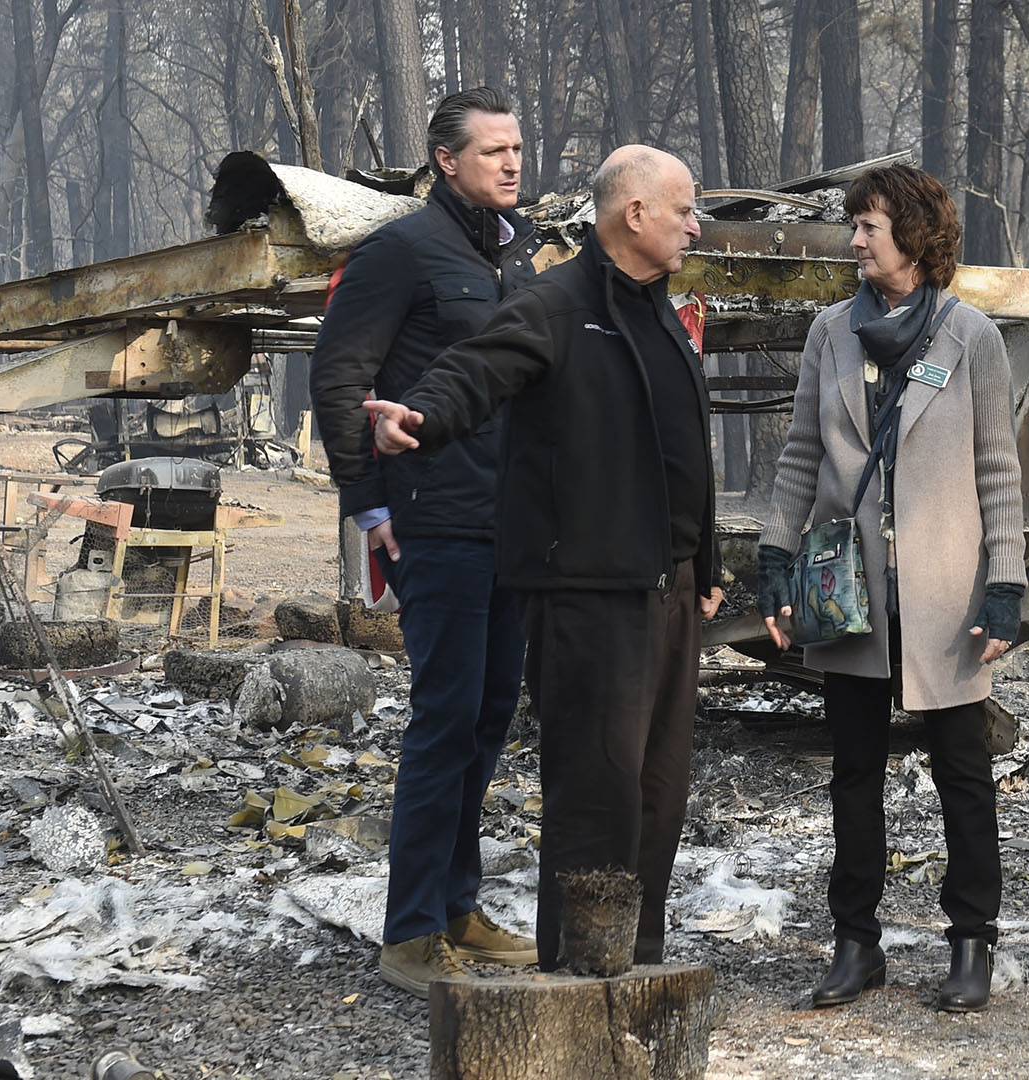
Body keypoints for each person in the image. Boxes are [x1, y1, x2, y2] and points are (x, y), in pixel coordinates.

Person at [361, 144, 721, 973]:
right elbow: (472, 372)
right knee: (596, 793)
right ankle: (581, 973)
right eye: (683, 211)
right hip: (585, 591)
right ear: (634, 215)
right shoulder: (554, 304)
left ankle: (634, 960)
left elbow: (681, 448)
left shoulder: (663, 310)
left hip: (663, 589)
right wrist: (416, 417)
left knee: (658, 791)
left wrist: (701, 565)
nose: (694, 226)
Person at [755, 164, 1024, 1013]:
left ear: (914, 233)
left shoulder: (970, 335)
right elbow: (802, 450)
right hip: (850, 590)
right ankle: (855, 943)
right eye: (855, 224)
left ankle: (972, 941)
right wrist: (774, 553)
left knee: (962, 770)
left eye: (869, 225)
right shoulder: (830, 332)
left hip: (945, 592)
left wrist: (1005, 585)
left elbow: (998, 470)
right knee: (855, 773)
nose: (856, 239)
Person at [307, 86, 541, 997]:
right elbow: (340, 375)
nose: (513, 163)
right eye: (494, 152)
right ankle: (409, 931)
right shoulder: (401, 251)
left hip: (506, 524)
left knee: (487, 716)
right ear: (447, 162)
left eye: (518, 148)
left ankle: (456, 907)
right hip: (431, 523)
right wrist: (369, 506)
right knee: (444, 720)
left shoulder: (513, 265)